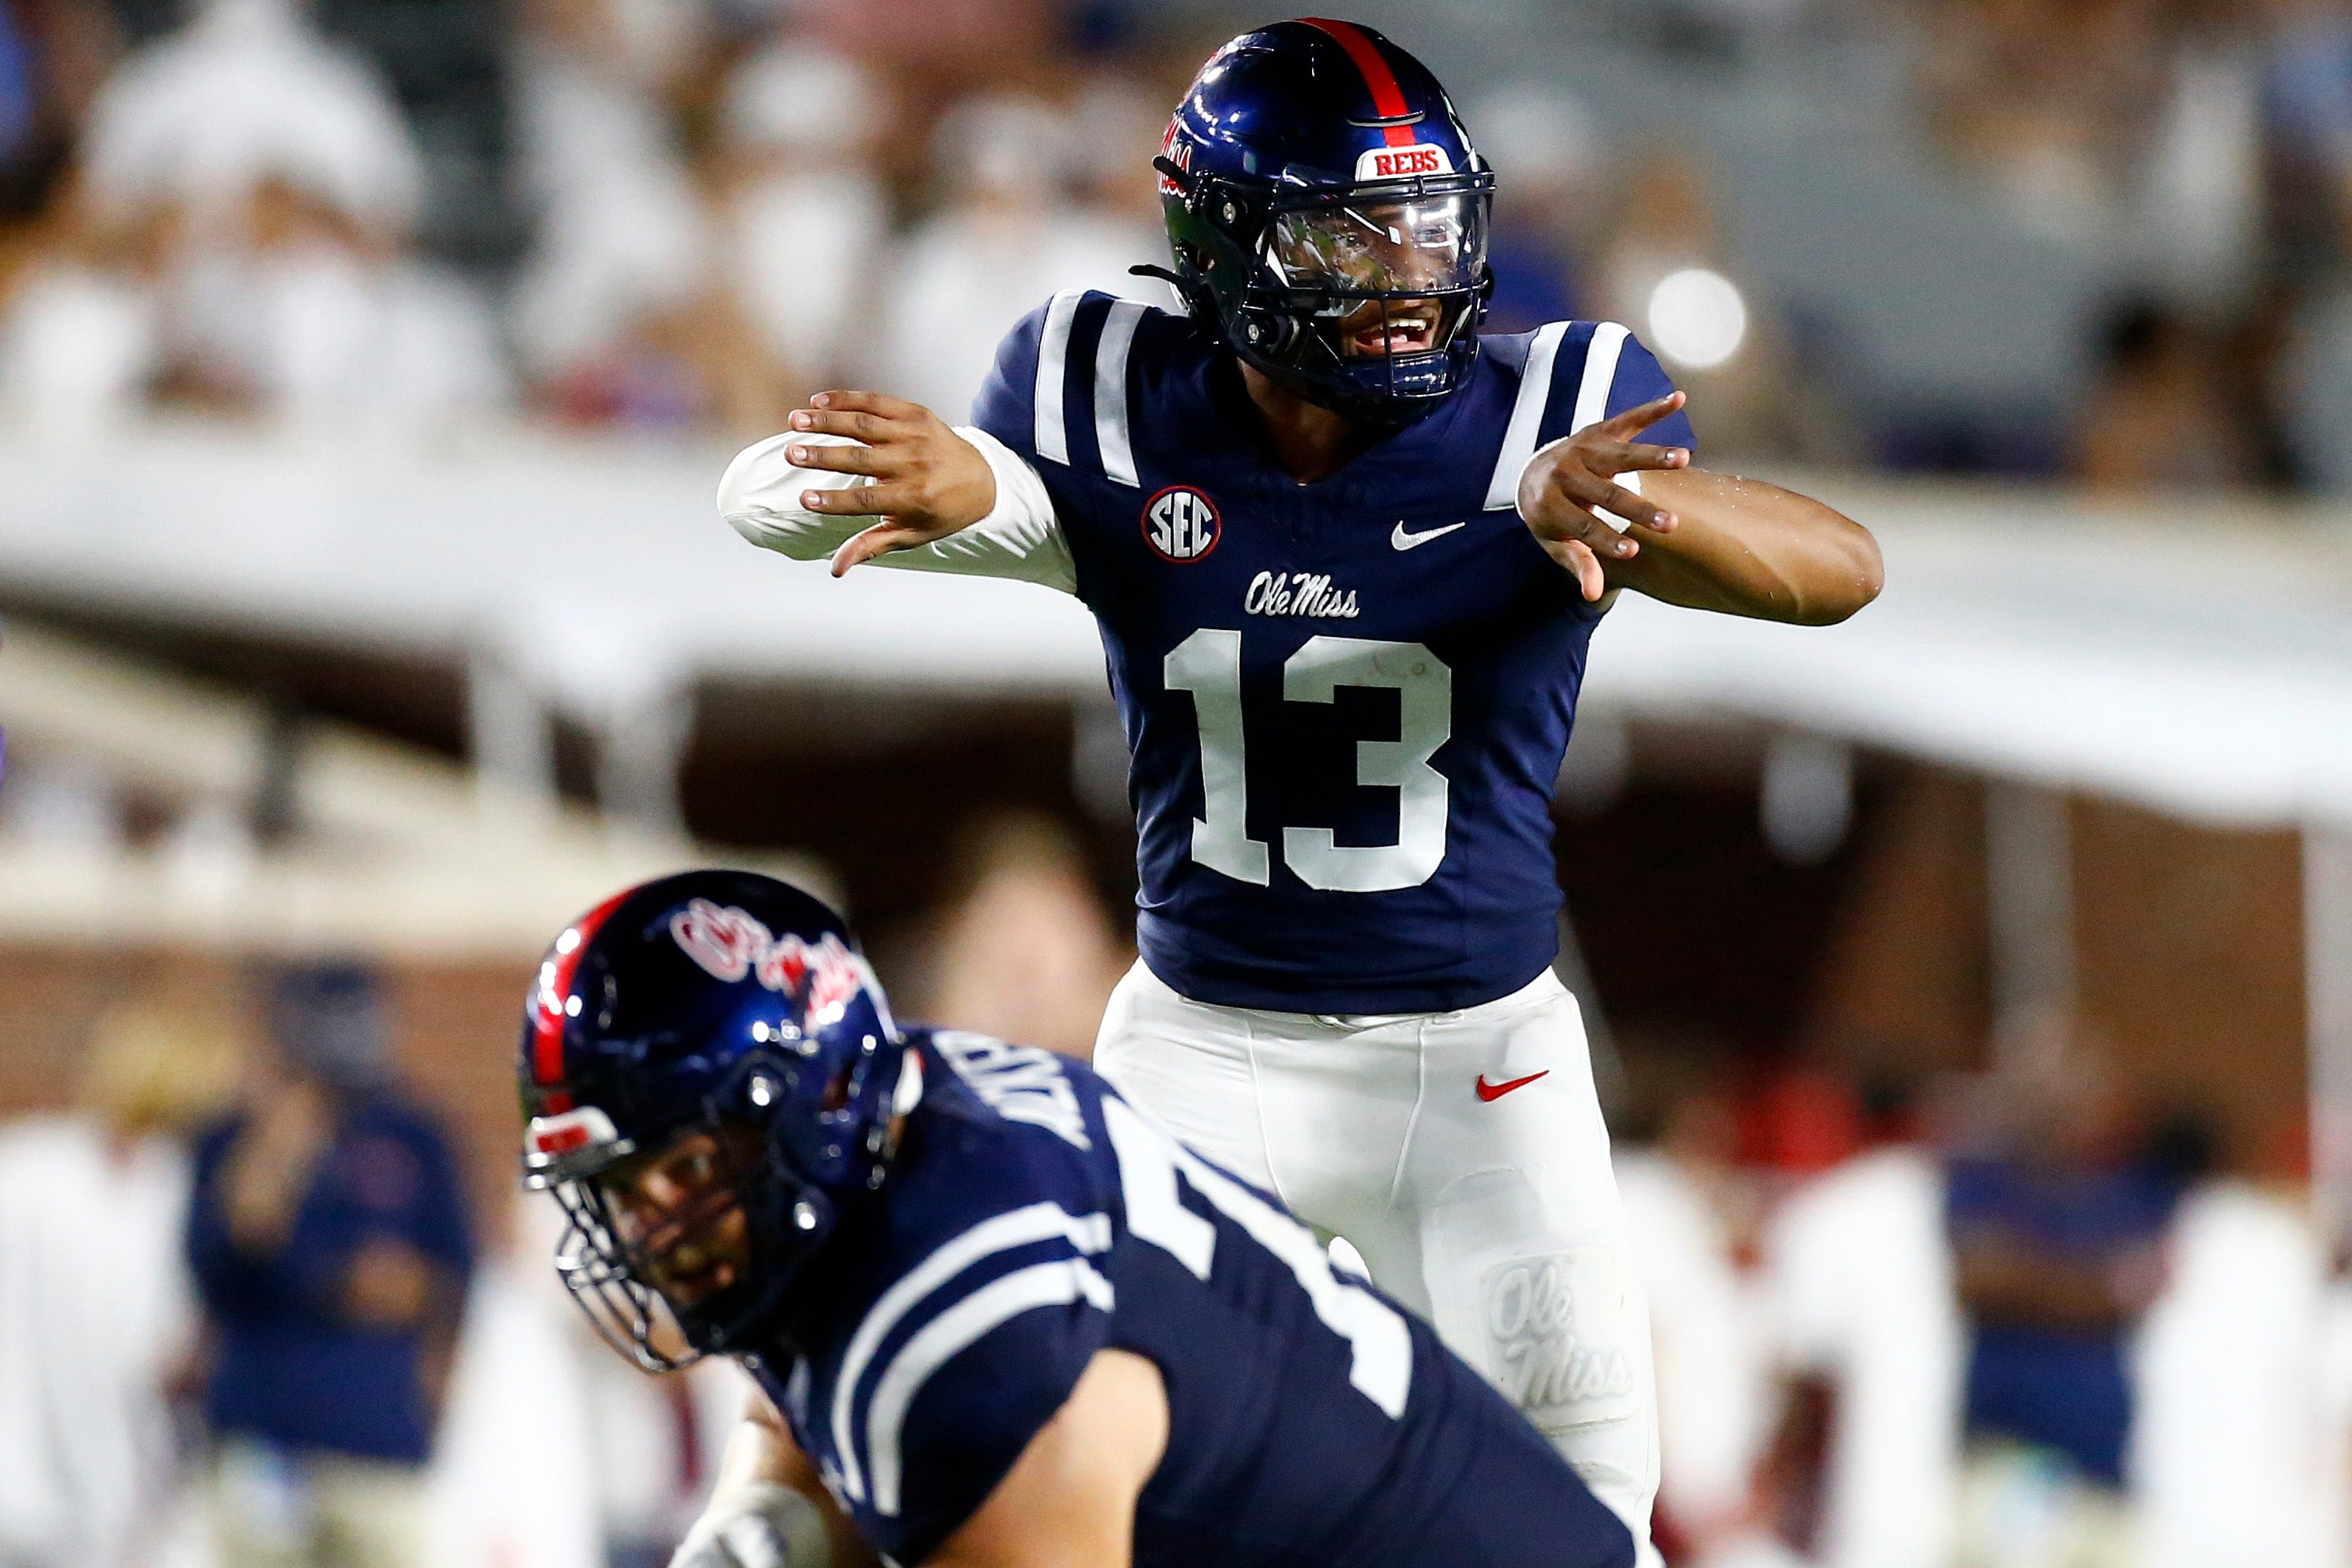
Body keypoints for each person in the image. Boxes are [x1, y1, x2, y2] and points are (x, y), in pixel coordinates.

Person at [715, 20, 1882, 1557]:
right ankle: (756, 1530)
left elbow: (1842, 574)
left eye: (1429, 224)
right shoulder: (1106, 400)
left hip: (1484, 1080)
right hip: (1206, 1056)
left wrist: (1651, 517)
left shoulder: (1557, 413)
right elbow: (769, 505)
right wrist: (986, 494)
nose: (1408, 271)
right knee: (988, 1375)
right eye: (1355, 230)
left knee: (1585, 1535)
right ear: (1225, 240)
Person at [517, 870, 1637, 1568]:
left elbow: (929, 1399)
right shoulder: (910, 1116)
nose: (649, 1226)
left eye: (687, 1168)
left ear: (800, 1110)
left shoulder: (974, 1342)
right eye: (618, 1187)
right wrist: (755, 1534)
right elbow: (804, 1390)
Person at [184, 964, 474, 1568]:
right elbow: (222, 1258)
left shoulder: (411, 1133)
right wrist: (280, 1135)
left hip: (375, 1435)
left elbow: (450, 1276)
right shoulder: (237, 1133)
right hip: (263, 1434)